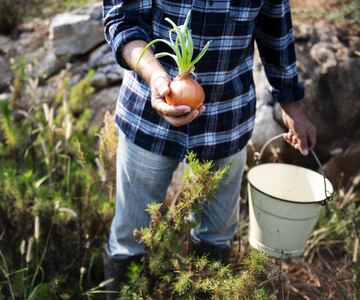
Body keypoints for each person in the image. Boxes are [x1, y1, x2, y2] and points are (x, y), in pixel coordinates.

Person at [101, 0, 317, 298]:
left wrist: (292, 106)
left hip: (227, 119)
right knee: (130, 237)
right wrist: (157, 77)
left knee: (215, 237)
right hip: (147, 115)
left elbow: (275, 29)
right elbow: (123, 21)